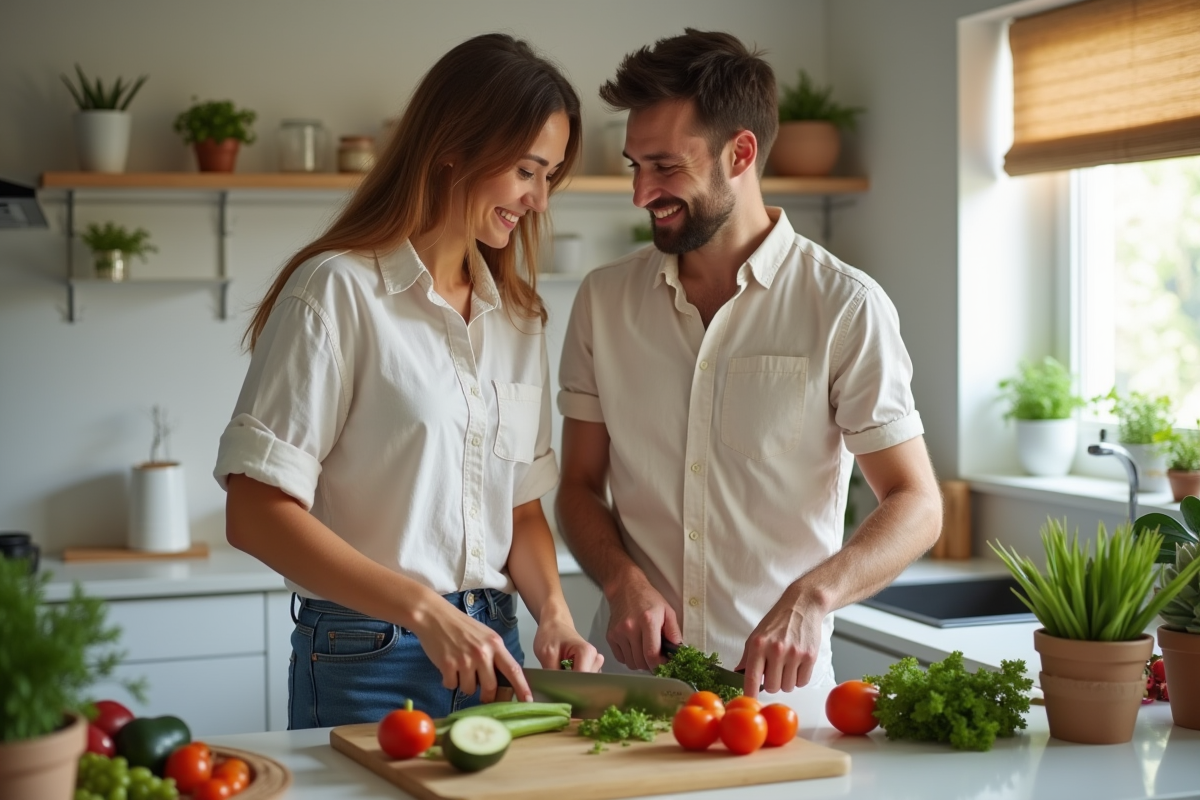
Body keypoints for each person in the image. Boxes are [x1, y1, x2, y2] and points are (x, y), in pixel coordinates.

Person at [214, 33, 601, 730]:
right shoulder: (335, 292)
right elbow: (253, 510)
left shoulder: (518, 318)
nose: (539, 200)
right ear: (455, 144)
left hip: (497, 654)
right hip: (367, 655)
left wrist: (555, 614)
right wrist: (425, 611)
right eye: (526, 170)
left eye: (550, 177)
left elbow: (517, 512)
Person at [556, 29, 942, 706]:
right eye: (633, 166)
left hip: (778, 704)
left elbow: (917, 503)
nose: (642, 193)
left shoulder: (844, 306)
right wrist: (622, 582)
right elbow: (579, 486)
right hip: (631, 695)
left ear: (741, 153)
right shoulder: (603, 300)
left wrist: (813, 597)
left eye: (666, 167)